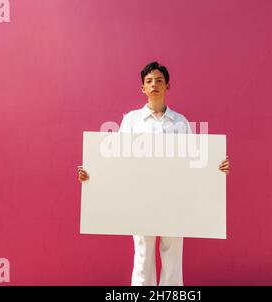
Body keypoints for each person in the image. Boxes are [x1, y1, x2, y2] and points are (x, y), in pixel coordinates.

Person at [77, 62, 230, 286]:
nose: (154, 84)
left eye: (159, 80)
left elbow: (194, 161)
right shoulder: (131, 120)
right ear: (142, 88)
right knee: (142, 257)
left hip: (174, 199)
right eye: (149, 81)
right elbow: (116, 158)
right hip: (140, 199)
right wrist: (93, 173)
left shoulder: (180, 122)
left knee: (173, 258)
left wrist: (216, 170)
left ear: (168, 85)